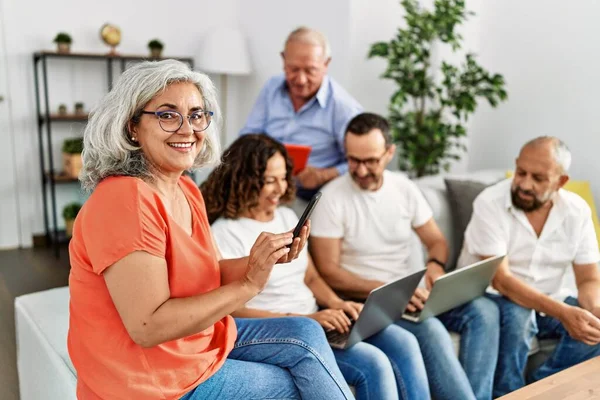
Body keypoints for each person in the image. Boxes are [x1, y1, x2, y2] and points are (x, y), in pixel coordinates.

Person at [67, 59, 354, 400]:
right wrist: (250, 284)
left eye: (197, 114)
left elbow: (211, 274)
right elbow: (147, 326)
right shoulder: (124, 198)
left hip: (193, 345)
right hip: (149, 380)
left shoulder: (186, 190)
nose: (187, 129)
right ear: (132, 126)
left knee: (305, 332)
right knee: (294, 385)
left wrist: (262, 261)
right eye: (167, 115)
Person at [201, 133, 431, 400]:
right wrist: (308, 321)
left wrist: (336, 304)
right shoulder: (225, 233)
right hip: (288, 332)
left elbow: (310, 277)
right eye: (269, 181)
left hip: (317, 319)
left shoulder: (286, 216)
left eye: (284, 177)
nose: (280, 188)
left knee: (402, 341)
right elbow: (235, 308)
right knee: (375, 364)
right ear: (244, 181)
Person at [310, 112, 501, 400]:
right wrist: (390, 290)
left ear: (389, 153)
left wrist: (435, 266)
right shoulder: (332, 199)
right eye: (353, 160)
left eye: (370, 161)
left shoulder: (403, 188)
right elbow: (329, 271)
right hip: (370, 300)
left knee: (485, 312)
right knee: (432, 330)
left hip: (412, 292)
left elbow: (436, 241)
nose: (360, 170)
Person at [459, 136, 600, 397]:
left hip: (552, 299)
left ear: (561, 181)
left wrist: (593, 309)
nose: (525, 184)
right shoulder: (490, 203)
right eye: (521, 172)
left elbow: (589, 279)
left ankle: (538, 389)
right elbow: (501, 280)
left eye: (538, 178)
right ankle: (508, 393)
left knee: (597, 329)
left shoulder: (577, 211)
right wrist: (565, 313)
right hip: (498, 297)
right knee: (519, 318)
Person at [239, 26, 363, 206]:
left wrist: (324, 175)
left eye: (310, 70)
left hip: (313, 194)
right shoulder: (271, 88)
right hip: (264, 185)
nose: (301, 79)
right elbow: (248, 138)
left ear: (326, 64)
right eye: (293, 69)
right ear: (283, 60)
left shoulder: (344, 107)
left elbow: (359, 163)